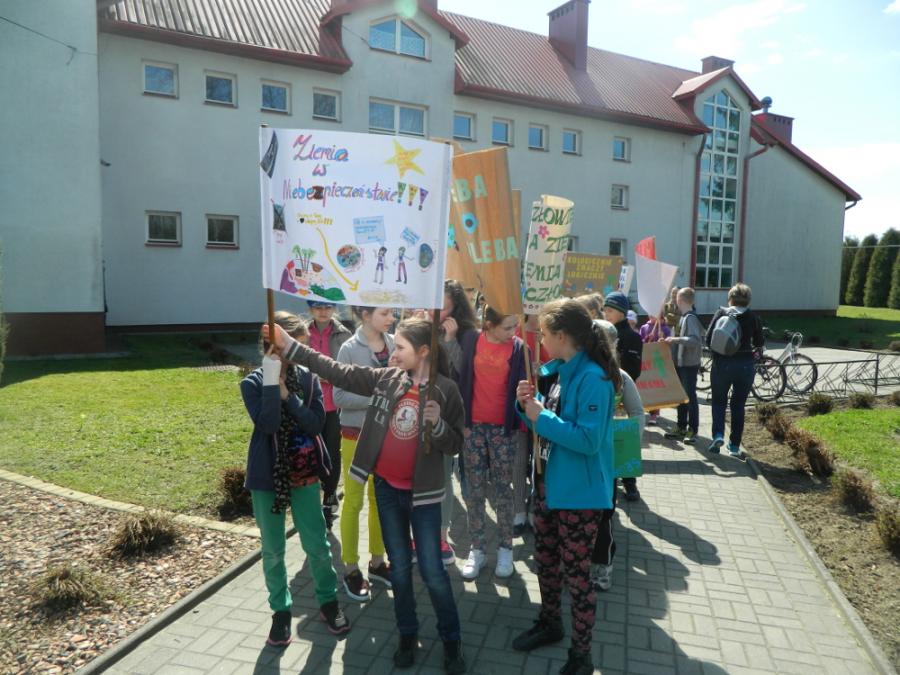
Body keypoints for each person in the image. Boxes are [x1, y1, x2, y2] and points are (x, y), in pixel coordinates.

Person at [264, 319, 468, 674]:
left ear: (423, 352)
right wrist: (290, 346)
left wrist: (437, 424)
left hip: (423, 498)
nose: (393, 353)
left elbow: (455, 444)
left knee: (433, 571)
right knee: (399, 569)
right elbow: (338, 372)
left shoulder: (446, 390)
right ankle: (407, 633)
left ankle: (451, 641)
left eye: (400, 347)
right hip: (387, 490)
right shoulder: (387, 378)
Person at [512, 298, 619, 675]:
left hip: (579, 496)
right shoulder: (560, 371)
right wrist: (527, 404)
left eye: (544, 333)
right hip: (549, 486)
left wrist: (541, 416)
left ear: (561, 336)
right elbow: (547, 416)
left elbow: (588, 440)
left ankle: (581, 655)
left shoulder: (594, 379)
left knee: (577, 578)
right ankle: (550, 623)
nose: (540, 340)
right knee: (546, 563)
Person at [240, 312, 350, 646]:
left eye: (301, 346)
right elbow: (269, 424)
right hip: (268, 477)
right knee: (273, 550)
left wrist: (289, 395)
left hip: (304, 474)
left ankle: (328, 602)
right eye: (293, 347)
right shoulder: (252, 383)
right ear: (273, 347)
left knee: (317, 545)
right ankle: (280, 612)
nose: (299, 354)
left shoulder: (309, 379)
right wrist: (272, 382)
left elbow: (315, 424)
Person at [456, 306, 526, 579]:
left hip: (503, 431)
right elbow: (460, 377)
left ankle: (506, 547)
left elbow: (524, 387)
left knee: (503, 490)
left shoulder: (519, 348)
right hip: (472, 428)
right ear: (488, 324)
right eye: (507, 327)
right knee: (474, 490)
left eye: (515, 325)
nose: (513, 332)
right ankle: (477, 548)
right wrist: (462, 423)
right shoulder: (471, 339)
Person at [332, 306, 396, 601]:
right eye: (385, 313)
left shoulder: (395, 344)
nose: (392, 318)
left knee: (380, 500)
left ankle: (378, 562)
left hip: (387, 437)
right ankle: (350, 568)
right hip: (355, 436)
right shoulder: (348, 348)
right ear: (366, 315)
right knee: (353, 501)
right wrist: (377, 400)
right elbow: (339, 396)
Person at [590, 319, 644, 592]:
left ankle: (603, 566)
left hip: (608, 457)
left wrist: (629, 445)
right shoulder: (581, 374)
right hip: (584, 456)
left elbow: (637, 413)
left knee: (604, 515)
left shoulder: (620, 378)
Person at [433, 280, 479, 564]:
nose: (436, 311)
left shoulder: (469, 334)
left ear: (456, 308)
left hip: (451, 414)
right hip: (424, 409)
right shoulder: (425, 327)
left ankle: (442, 534)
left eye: (444, 307)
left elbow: (464, 373)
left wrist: (450, 341)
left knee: (444, 475)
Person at [306, 301, 352, 530]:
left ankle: (330, 496)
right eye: (317, 307)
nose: (323, 311)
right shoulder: (303, 332)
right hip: (308, 403)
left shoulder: (344, 335)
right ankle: (312, 499)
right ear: (310, 309)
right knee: (311, 451)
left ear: (334, 309)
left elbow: (349, 370)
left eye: (327, 307)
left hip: (335, 404)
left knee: (332, 452)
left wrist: (328, 376)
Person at [705, 283, 765, 457]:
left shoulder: (721, 313)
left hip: (722, 364)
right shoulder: (753, 317)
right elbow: (759, 342)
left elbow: (708, 339)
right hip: (745, 365)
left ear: (730, 298)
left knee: (718, 402)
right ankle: (734, 446)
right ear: (748, 300)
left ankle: (718, 435)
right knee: (738, 405)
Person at [602, 291, 643, 501]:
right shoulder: (601, 332)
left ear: (621, 312)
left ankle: (629, 482)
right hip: (604, 390)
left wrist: (620, 385)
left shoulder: (633, 337)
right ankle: (608, 479)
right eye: (605, 310)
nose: (606, 314)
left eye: (610, 310)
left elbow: (634, 369)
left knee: (625, 438)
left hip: (622, 392)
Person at [664, 288, 704, 446]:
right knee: (681, 396)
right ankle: (681, 427)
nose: (675, 303)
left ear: (680, 301)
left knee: (690, 397)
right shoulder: (684, 317)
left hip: (689, 365)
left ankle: (693, 430)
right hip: (681, 364)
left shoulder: (690, 318)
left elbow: (694, 340)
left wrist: (675, 340)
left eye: (677, 300)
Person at [639, 315, 672, 425]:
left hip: (659, 361)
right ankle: (649, 408)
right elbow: (640, 343)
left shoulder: (665, 329)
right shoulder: (644, 327)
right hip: (647, 361)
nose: (651, 316)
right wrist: (647, 338)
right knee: (648, 385)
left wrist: (662, 339)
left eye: (654, 314)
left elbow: (668, 346)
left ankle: (654, 413)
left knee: (657, 387)